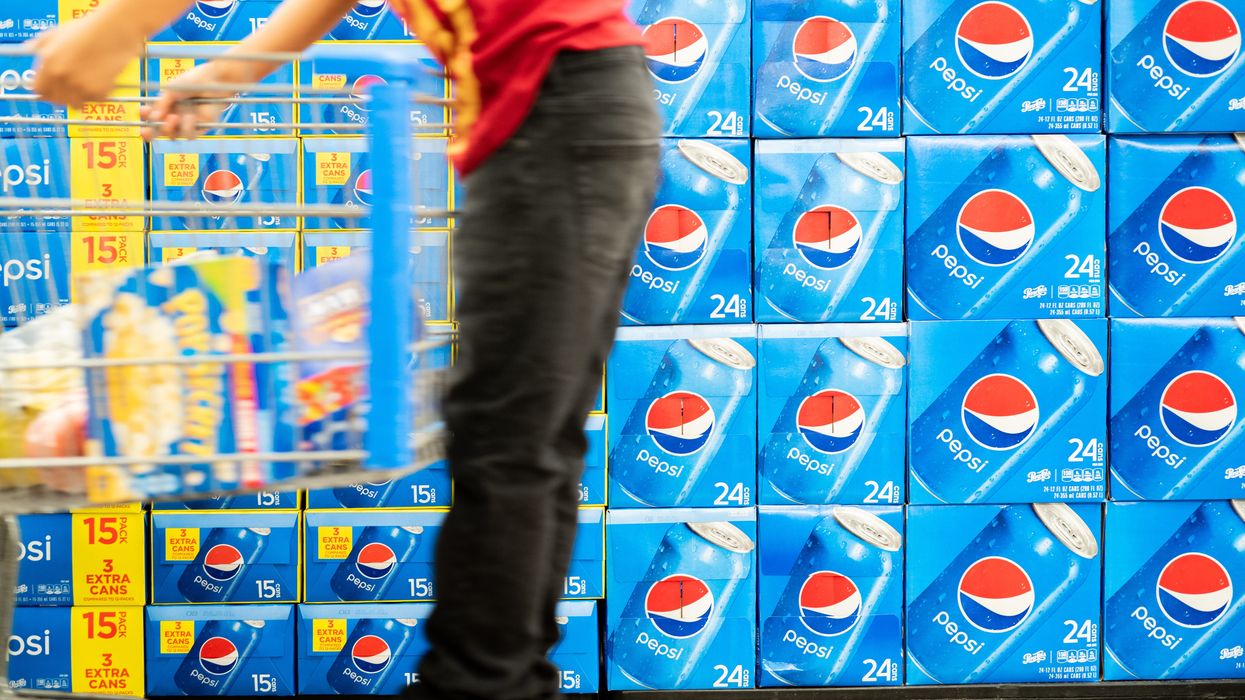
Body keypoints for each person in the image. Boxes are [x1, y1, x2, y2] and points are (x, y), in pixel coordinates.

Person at [32, 1, 660, 698]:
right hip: (549, 109)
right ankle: (500, 680)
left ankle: (477, 684)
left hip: (556, 104)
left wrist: (118, 28)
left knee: (510, 431)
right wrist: (229, 72)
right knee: (524, 431)